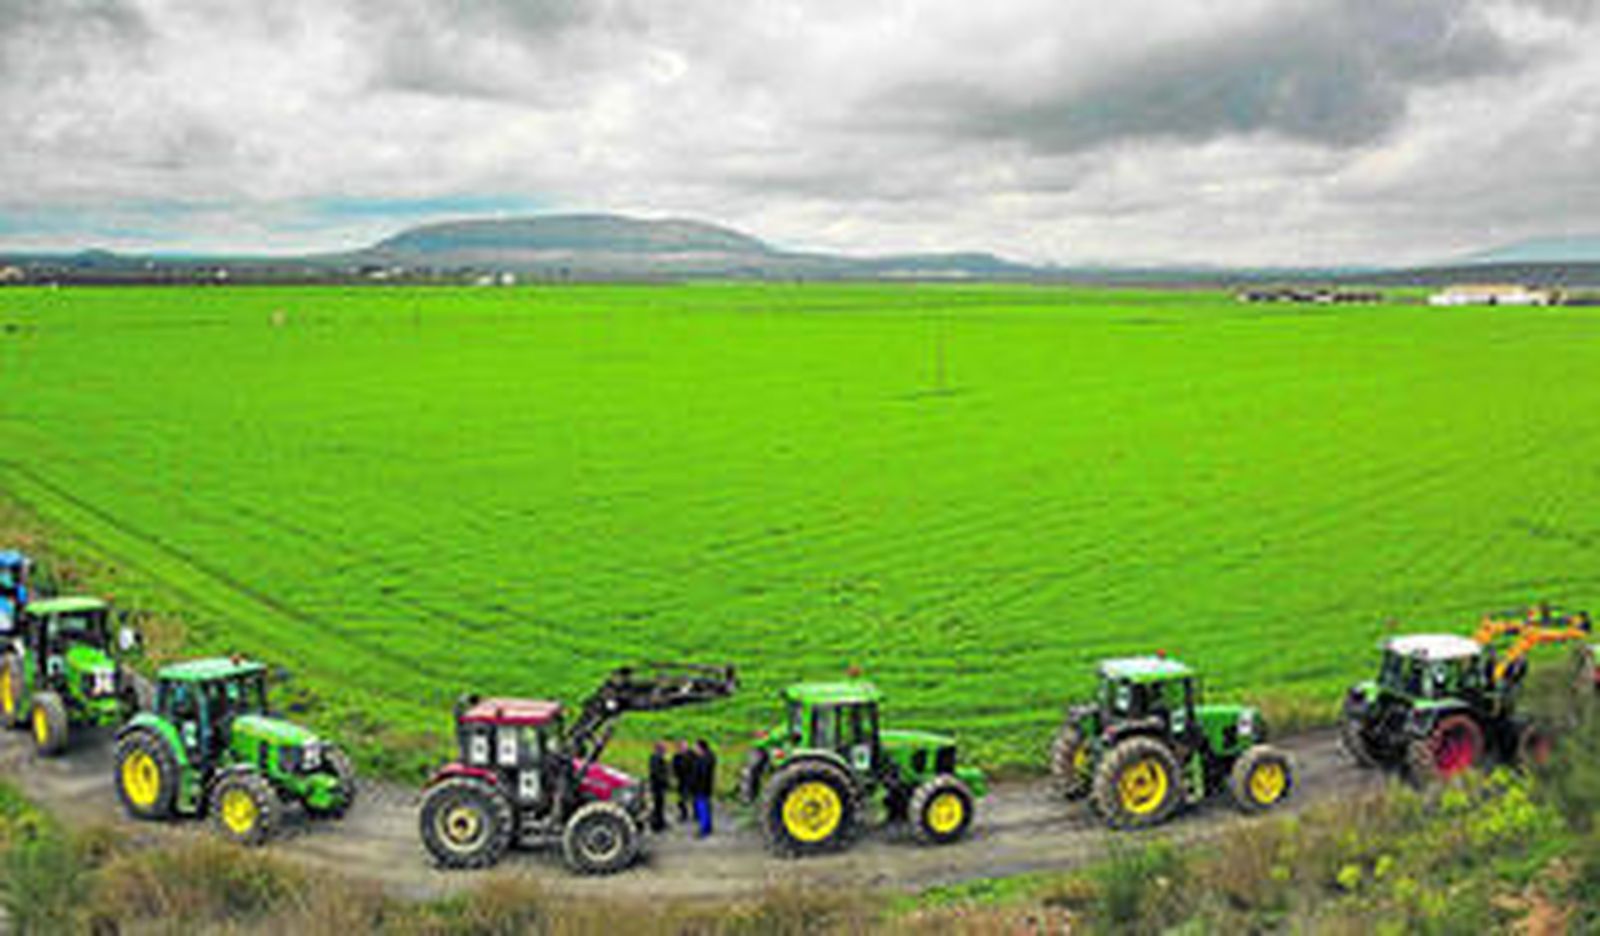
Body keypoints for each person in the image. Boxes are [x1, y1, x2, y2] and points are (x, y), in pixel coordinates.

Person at [692, 738, 717, 838]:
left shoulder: (703, 759)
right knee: (706, 807)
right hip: (706, 787)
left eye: (695, 747)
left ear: (700, 747)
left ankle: (704, 830)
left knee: (702, 808)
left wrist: (696, 785)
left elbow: (702, 774)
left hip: (701, 788)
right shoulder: (709, 757)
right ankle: (708, 827)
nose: (694, 749)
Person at [647, 741, 670, 833]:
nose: (665, 750)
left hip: (658, 785)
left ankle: (661, 822)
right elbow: (656, 772)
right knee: (658, 805)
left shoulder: (657, 757)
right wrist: (664, 779)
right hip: (657, 785)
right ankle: (657, 825)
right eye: (664, 748)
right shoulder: (656, 757)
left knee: (660, 805)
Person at [671, 739, 693, 824]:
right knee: (681, 799)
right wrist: (675, 775)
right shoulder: (677, 756)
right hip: (681, 780)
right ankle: (684, 814)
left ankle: (688, 815)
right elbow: (674, 767)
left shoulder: (691, 754)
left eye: (685, 746)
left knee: (686, 798)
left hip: (689, 780)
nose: (683, 748)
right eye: (682, 746)